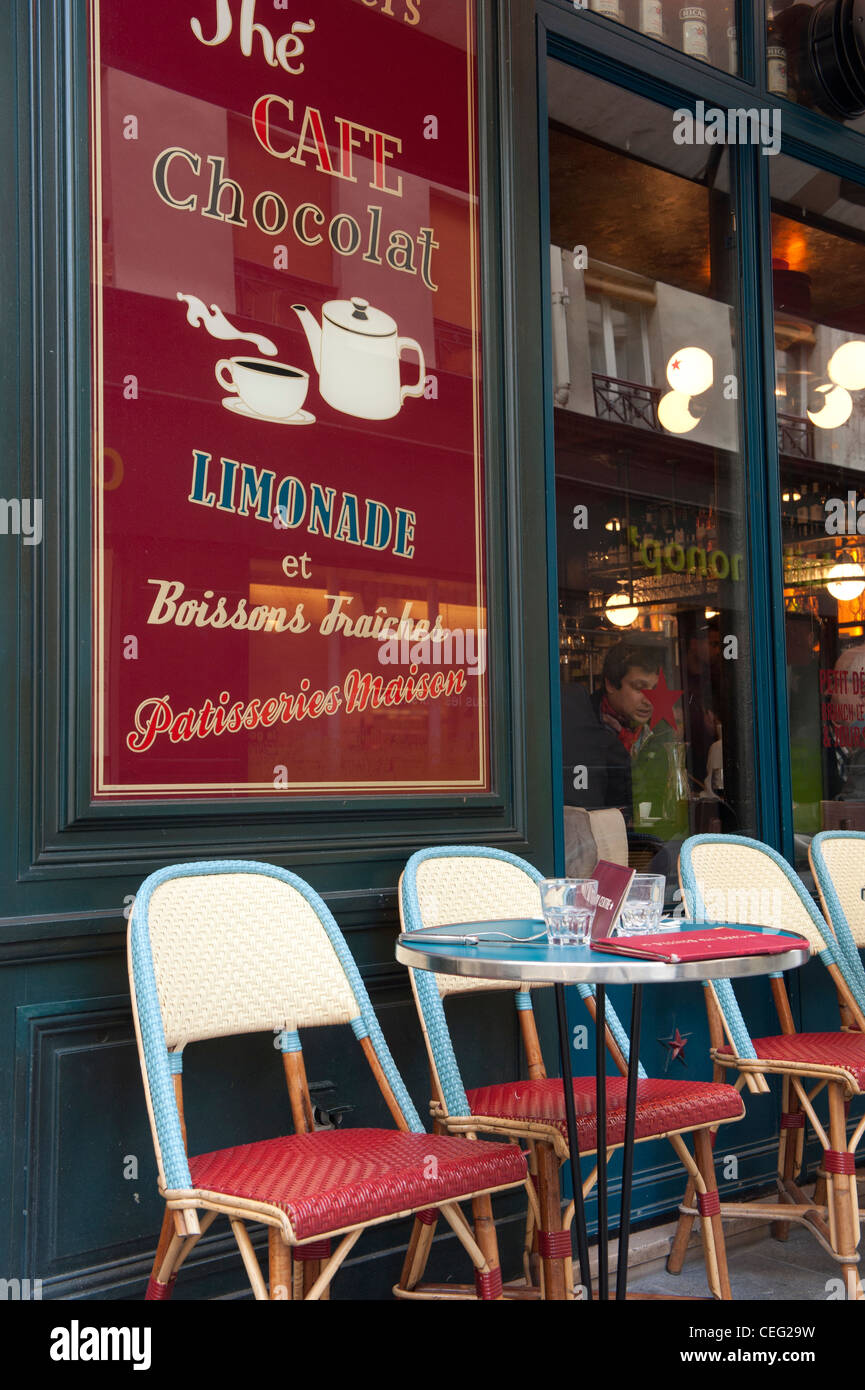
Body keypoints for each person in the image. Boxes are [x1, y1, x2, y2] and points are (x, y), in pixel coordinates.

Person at [562, 639, 688, 841]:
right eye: (639, 688)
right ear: (611, 684)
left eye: (654, 689)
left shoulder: (662, 732)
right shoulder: (582, 724)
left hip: (652, 841)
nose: (649, 700)